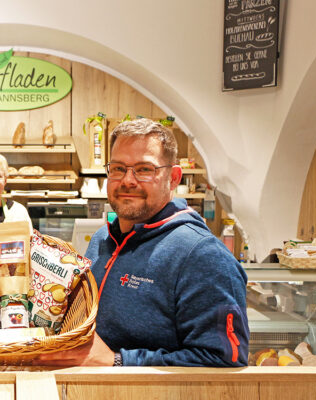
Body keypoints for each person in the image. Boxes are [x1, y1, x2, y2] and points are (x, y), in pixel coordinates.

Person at [39, 118, 249, 367]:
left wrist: (118, 361)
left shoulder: (201, 255)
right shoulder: (102, 239)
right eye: (118, 168)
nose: (128, 180)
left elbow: (224, 360)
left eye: (144, 169)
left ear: (173, 178)